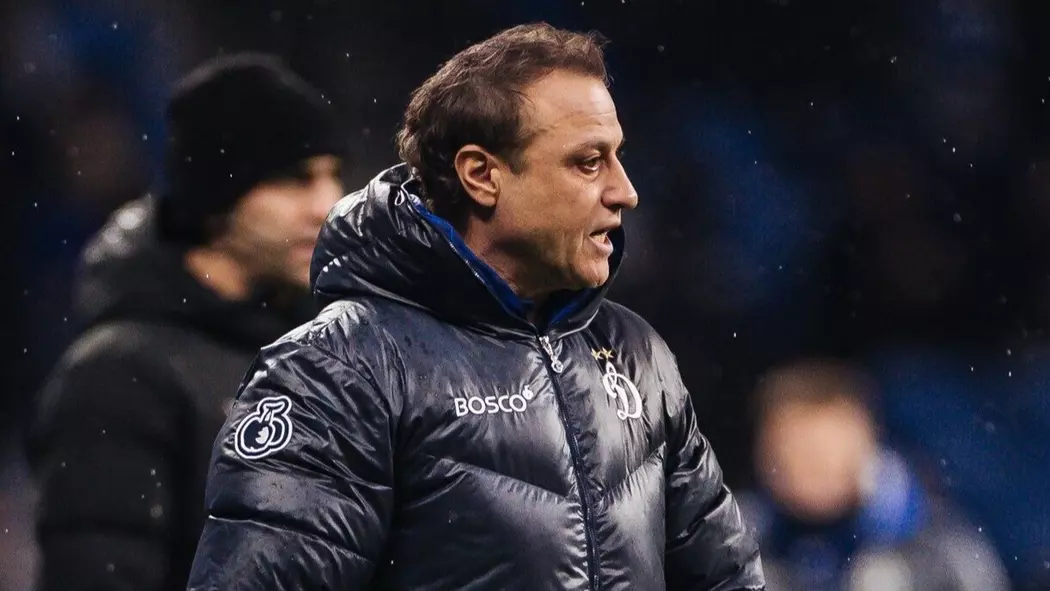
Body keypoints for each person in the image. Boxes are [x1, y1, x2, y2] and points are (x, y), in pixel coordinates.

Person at [187, 23, 765, 591]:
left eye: (617, 157)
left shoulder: (637, 356)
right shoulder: (337, 372)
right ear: (481, 175)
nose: (625, 191)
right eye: (589, 162)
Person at [26, 53, 346, 591]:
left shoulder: (319, 351)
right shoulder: (118, 375)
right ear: (216, 198)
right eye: (296, 179)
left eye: (332, 174)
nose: (328, 204)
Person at [740, 359, 1009, 591]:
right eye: (788, 450)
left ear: (866, 441)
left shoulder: (938, 545)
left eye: (821, 451)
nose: (803, 467)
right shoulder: (740, 540)